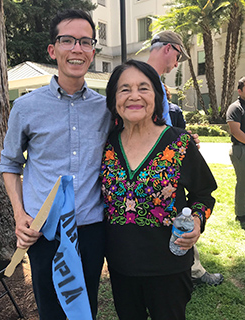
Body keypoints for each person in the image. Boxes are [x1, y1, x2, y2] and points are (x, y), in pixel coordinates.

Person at [0, 9, 111, 320]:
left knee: (84, 307)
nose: (77, 48)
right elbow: (9, 163)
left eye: (85, 41)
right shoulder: (25, 107)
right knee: (50, 309)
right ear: (53, 50)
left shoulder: (106, 109)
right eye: (67, 40)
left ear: (92, 50)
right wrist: (19, 215)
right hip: (43, 230)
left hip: (90, 228)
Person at [101, 59, 217, 320]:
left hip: (169, 267)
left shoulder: (178, 142)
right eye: (124, 89)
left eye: (143, 88)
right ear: (113, 99)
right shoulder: (106, 145)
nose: (134, 96)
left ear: (156, 95)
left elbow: (204, 194)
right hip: (121, 266)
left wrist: (198, 220)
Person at [148, 31, 223, 286]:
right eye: (178, 56)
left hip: (170, 171)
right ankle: (190, 272)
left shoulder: (157, 83)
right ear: (169, 48)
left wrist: (184, 142)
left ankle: (190, 270)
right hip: (153, 176)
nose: (176, 64)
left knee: (183, 218)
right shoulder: (145, 81)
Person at [226, 76, 245, 223]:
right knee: (243, 182)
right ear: (240, 91)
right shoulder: (236, 107)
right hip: (241, 150)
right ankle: (241, 215)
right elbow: (236, 132)